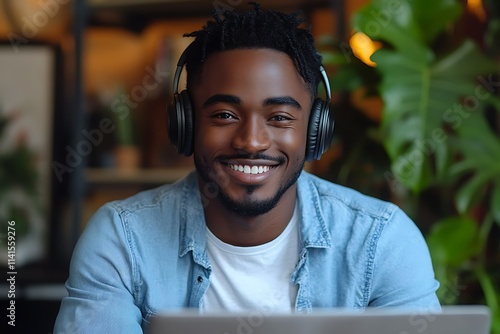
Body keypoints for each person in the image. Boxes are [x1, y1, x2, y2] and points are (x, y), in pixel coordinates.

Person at [54, 3, 440, 333]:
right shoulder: (123, 241)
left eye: (280, 117)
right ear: (186, 124)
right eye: (224, 114)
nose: (252, 141)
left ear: (315, 129)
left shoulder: (382, 242)